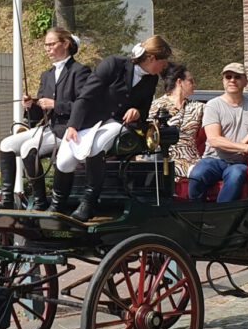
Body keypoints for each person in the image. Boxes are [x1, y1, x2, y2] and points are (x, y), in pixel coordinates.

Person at [58, 36, 172, 221]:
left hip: (120, 123)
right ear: (151, 58)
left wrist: (136, 111)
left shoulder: (151, 80)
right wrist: (72, 125)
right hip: (92, 120)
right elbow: (86, 96)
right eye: (162, 63)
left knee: (96, 147)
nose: (163, 68)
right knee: (64, 163)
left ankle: (88, 203)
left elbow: (144, 109)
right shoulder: (113, 64)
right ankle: (57, 205)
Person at [0, 28, 90, 210]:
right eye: (46, 45)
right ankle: (7, 198)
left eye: (52, 44)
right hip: (48, 127)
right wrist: (31, 105)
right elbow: (40, 115)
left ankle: (41, 202)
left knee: (28, 148)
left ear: (65, 44)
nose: (47, 49)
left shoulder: (80, 72)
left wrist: (56, 105)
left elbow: (84, 105)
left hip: (67, 129)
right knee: (6, 145)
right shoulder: (46, 75)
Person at [186, 63, 248, 203]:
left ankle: (223, 215)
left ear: (245, 81)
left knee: (236, 175)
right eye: (228, 77)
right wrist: (247, 147)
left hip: (238, 162)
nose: (232, 80)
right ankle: (196, 214)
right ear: (223, 81)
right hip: (214, 159)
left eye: (237, 77)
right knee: (197, 174)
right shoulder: (213, 105)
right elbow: (214, 139)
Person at [149, 64, 203, 175]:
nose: (194, 84)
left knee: (204, 172)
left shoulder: (197, 107)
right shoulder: (156, 106)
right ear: (179, 82)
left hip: (193, 160)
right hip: (165, 158)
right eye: (191, 81)